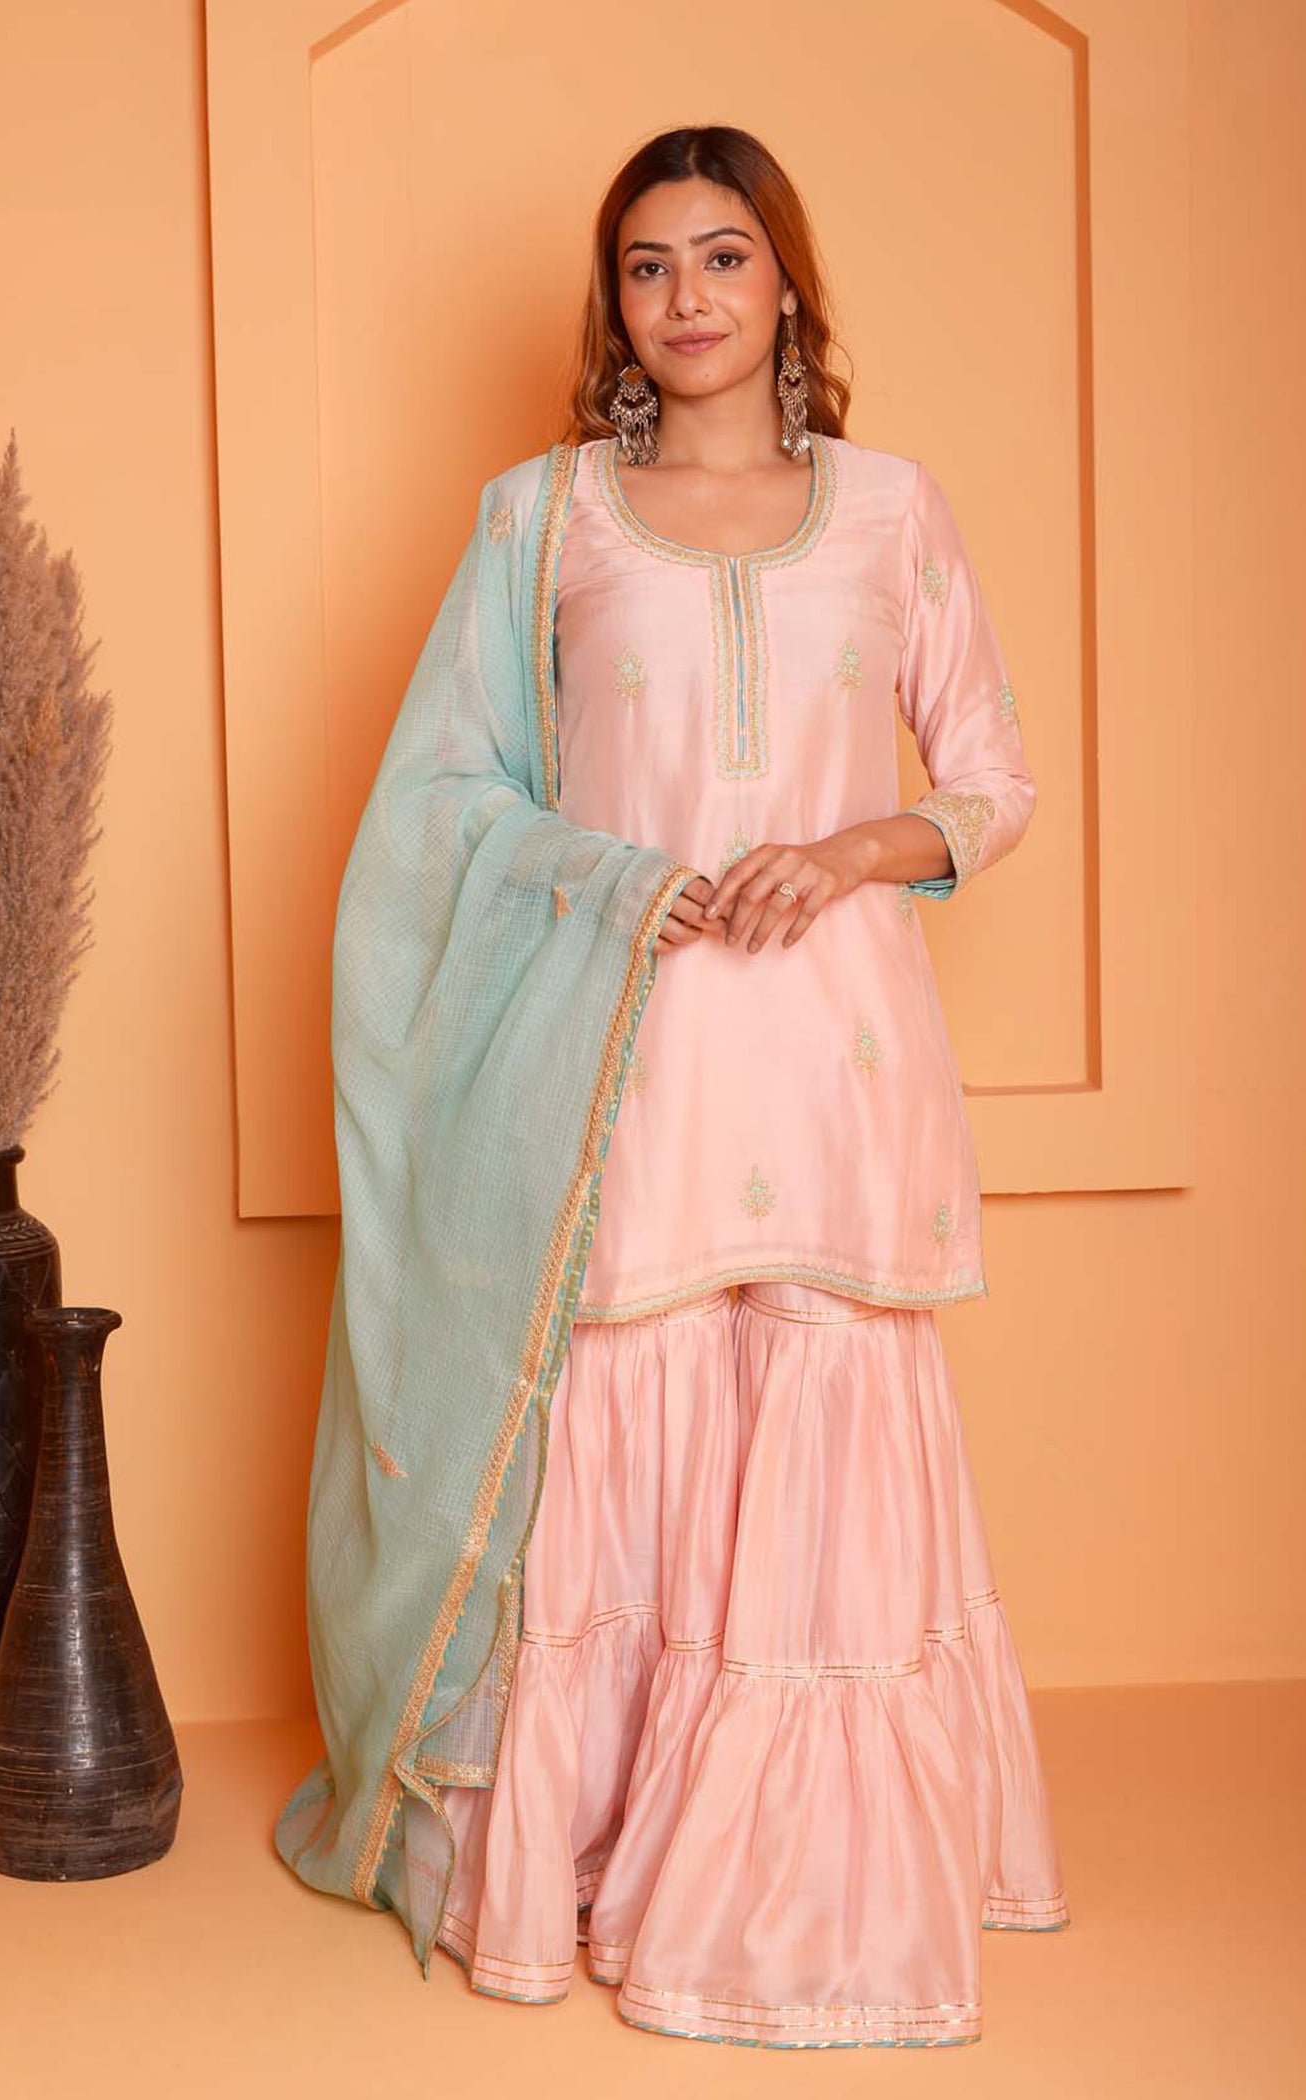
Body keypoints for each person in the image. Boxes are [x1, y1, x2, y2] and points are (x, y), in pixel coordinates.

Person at [276, 123, 1069, 2051]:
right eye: (648, 265)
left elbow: (993, 780)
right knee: (627, 1404)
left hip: (839, 1056)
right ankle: (611, 1849)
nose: (686, 297)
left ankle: (806, 1880)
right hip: (626, 1051)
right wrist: (620, 878)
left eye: (723, 256)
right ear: (613, 301)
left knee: (818, 1412)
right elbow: (442, 799)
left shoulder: (890, 510)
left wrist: (855, 851)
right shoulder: (544, 517)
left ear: (787, 282)